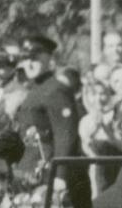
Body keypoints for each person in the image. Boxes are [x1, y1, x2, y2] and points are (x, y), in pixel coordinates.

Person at [12, 34, 81, 189]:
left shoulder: (56, 89)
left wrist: (60, 175)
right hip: (28, 170)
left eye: (34, 58)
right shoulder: (35, 90)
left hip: (47, 173)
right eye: (25, 59)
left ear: (49, 59)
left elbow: (65, 133)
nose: (28, 64)